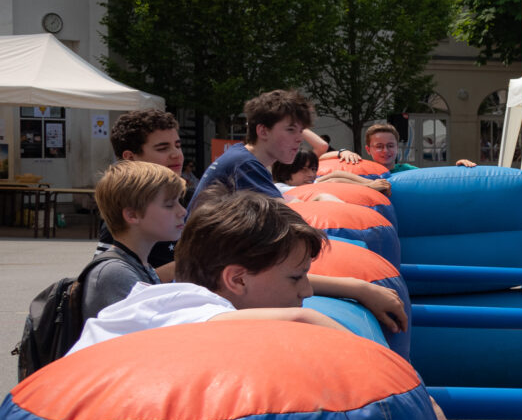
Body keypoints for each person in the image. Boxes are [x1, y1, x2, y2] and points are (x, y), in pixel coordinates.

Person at [70, 190, 466, 420]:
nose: (307, 290)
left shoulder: (152, 300)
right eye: (296, 277)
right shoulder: (187, 314)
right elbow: (302, 321)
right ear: (236, 278)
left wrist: (349, 288)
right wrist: (428, 410)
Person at [190, 90, 335, 210]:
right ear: (263, 131)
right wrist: (320, 199)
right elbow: (290, 215)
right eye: (291, 129)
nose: (299, 138)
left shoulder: (242, 156)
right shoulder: (245, 164)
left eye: (301, 131)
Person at [80, 161, 188, 322]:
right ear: (132, 215)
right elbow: (145, 336)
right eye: (169, 205)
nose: (182, 211)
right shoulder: (116, 274)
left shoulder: (140, 265)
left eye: (179, 202)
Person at [105, 110, 188, 273]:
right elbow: (118, 280)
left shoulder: (187, 194)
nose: (176, 154)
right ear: (130, 158)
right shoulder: (125, 203)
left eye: (178, 146)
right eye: (162, 148)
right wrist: (194, 265)